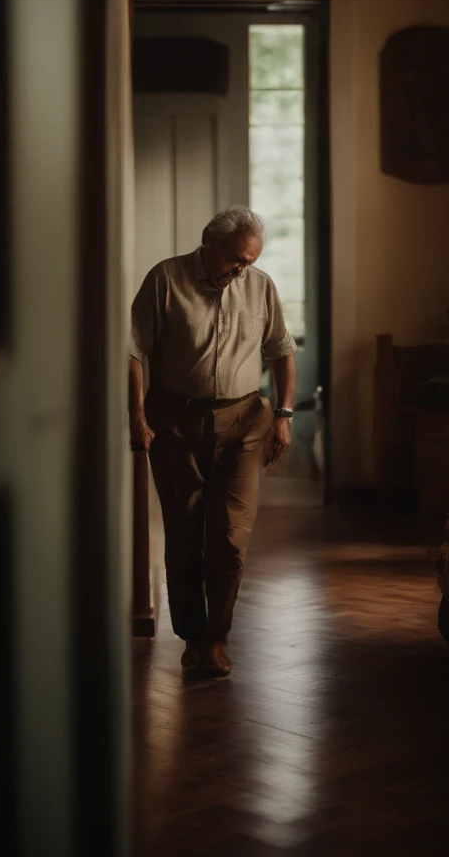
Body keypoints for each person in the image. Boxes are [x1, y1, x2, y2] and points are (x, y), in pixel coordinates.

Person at [128, 206, 297, 677]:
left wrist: (283, 415)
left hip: (245, 421)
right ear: (210, 244)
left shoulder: (259, 286)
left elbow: (282, 350)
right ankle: (191, 636)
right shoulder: (165, 279)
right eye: (236, 260)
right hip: (175, 422)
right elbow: (133, 349)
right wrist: (136, 415)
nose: (241, 270)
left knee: (229, 538)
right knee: (184, 534)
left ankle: (217, 637)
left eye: (249, 262)